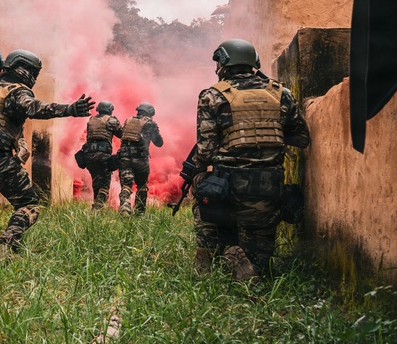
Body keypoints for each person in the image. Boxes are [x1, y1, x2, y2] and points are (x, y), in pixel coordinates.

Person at [0, 49, 94, 254]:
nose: (33, 77)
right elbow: (34, 108)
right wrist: (69, 109)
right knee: (29, 204)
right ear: (22, 69)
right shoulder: (17, 90)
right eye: (32, 72)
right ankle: (5, 246)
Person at [191, 39, 310, 280]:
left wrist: (199, 171)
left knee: (203, 190)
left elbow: (205, 150)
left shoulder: (212, 96)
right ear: (253, 62)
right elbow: (301, 138)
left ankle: (215, 252)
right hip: (269, 185)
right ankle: (247, 262)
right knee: (261, 265)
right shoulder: (282, 93)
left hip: (227, 185)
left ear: (224, 62)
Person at [116, 102, 164, 216]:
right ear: (150, 113)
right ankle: (139, 212)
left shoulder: (128, 121)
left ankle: (125, 208)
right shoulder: (150, 123)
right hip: (141, 159)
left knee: (126, 185)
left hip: (125, 158)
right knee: (142, 186)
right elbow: (159, 142)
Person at [79, 101, 122, 210]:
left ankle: (97, 210)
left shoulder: (92, 120)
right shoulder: (111, 120)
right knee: (104, 185)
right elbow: (122, 134)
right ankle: (97, 208)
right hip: (102, 155)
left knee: (96, 182)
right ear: (110, 110)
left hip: (88, 156)